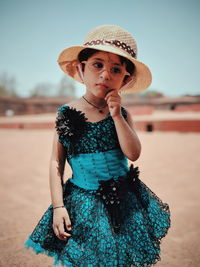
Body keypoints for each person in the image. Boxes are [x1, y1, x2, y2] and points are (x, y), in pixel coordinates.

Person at [24, 25, 171, 267]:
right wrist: (59, 206)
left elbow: (133, 153)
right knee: (87, 256)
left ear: (126, 78)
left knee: (120, 255)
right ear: (80, 68)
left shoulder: (122, 113)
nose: (105, 74)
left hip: (124, 200)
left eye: (116, 69)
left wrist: (116, 117)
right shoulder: (66, 113)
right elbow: (55, 162)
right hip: (83, 200)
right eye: (97, 64)